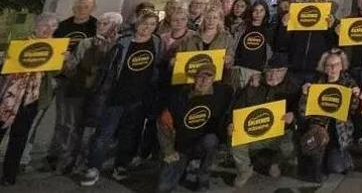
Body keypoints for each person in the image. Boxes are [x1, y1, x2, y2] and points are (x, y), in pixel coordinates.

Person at [81, 12, 162, 187]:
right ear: (137, 23)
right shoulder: (123, 41)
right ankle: (93, 167)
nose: (147, 27)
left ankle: (120, 165)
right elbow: (108, 67)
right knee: (104, 134)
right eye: (144, 23)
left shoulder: (156, 42)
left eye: (152, 24)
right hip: (116, 96)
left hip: (140, 98)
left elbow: (156, 67)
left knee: (129, 135)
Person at [47, 11, 122, 175]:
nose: (99, 26)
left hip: (101, 95)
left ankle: (81, 163)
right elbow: (72, 68)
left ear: (115, 27)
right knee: (71, 127)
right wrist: (67, 62)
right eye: (99, 23)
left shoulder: (119, 45)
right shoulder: (85, 43)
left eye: (105, 23)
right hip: (79, 90)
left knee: (90, 132)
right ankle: (66, 162)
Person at [156, 60, 232, 192]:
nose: (203, 80)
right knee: (163, 188)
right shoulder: (180, 95)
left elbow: (235, 98)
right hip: (179, 147)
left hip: (200, 145)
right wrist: (168, 150)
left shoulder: (221, 93)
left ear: (213, 79)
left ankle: (202, 180)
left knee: (211, 141)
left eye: (208, 77)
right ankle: (182, 168)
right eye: (200, 76)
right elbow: (163, 123)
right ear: (194, 78)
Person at [0, 14, 58, 185]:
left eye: (52, 27)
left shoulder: (54, 48)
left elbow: (55, 73)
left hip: (31, 100)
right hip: (9, 98)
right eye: (43, 26)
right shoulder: (20, 43)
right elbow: (5, 67)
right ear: (36, 26)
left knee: (19, 138)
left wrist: (62, 60)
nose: (47, 29)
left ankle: (9, 176)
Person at [231, 54, 299, 186]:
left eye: (278, 71)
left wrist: (293, 116)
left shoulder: (293, 88)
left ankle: (275, 162)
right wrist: (231, 124)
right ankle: (244, 170)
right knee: (234, 138)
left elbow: (301, 111)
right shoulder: (254, 84)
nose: (273, 75)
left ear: (285, 71)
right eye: (270, 71)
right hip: (252, 133)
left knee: (290, 145)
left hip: (277, 135)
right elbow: (238, 108)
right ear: (264, 70)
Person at [296, 49, 360, 182]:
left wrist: (355, 97)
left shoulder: (349, 83)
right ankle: (317, 164)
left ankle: (344, 157)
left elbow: (353, 111)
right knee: (315, 150)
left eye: (336, 65)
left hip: (339, 130)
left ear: (342, 66)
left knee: (335, 167)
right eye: (328, 65)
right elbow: (303, 113)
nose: (332, 68)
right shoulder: (316, 82)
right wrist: (304, 95)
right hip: (318, 128)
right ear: (323, 67)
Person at [178, 6, 235, 82]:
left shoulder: (227, 38)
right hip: (191, 79)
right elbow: (180, 56)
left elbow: (230, 62)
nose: (211, 21)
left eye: (215, 18)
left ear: (220, 20)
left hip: (215, 80)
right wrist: (175, 61)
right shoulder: (190, 37)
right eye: (208, 17)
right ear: (204, 19)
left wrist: (228, 60)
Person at [232, 0, 273, 89]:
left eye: (261, 10)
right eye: (255, 10)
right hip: (238, 68)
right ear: (251, 12)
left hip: (257, 71)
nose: (258, 13)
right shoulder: (242, 27)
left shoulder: (269, 30)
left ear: (266, 13)